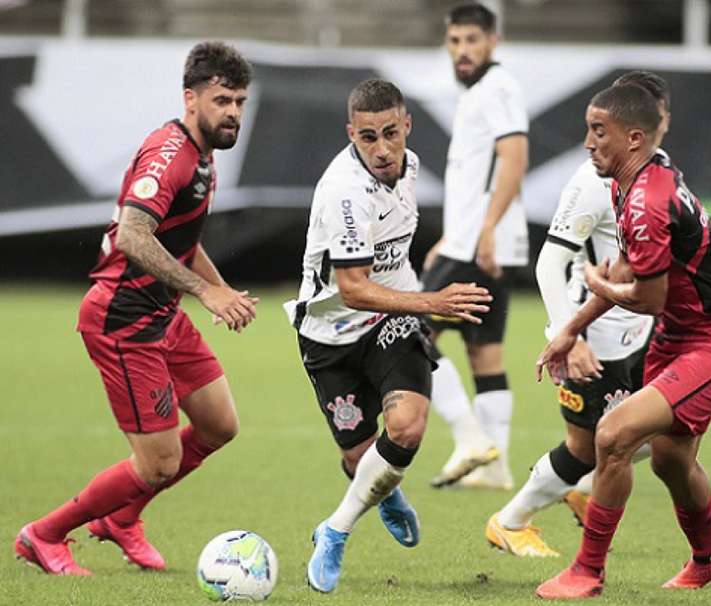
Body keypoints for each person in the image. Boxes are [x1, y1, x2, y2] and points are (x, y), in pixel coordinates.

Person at [14, 41, 258, 576]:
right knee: (159, 462)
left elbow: (181, 237)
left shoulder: (204, 156)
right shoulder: (169, 155)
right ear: (190, 99)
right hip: (123, 320)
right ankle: (44, 535)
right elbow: (132, 235)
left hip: (161, 313)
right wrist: (203, 292)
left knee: (219, 424)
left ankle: (122, 518)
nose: (234, 113)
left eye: (240, 101)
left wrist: (218, 287)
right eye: (222, 100)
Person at [534, 83, 711, 599]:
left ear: (633, 138)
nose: (588, 142)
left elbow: (647, 297)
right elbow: (625, 269)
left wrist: (599, 285)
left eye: (598, 132)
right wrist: (571, 327)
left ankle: (587, 572)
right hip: (680, 338)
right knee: (668, 459)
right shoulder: (635, 177)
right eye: (589, 129)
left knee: (611, 436)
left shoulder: (645, 200)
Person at [284, 78, 491, 593]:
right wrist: (434, 302)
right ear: (350, 133)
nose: (382, 150)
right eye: (368, 137)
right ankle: (384, 491)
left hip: (392, 319)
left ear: (407, 127)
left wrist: (421, 300)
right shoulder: (344, 194)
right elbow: (353, 289)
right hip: (330, 333)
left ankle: (334, 531)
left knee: (406, 428)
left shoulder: (412, 165)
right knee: (361, 460)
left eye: (391, 134)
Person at [485, 72, 670, 558]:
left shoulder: (660, 171)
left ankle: (581, 488)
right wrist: (569, 333)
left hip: (641, 333)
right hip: (595, 338)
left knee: (667, 426)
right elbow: (550, 262)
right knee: (588, 447)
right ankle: (510, 521)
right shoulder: (592, 182)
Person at [424, 2, 529, 490]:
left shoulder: (497, 88)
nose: (462, 51)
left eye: (471, 40)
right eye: (455, 42)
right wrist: (453, 233)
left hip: (478, 245)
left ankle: (470, 439)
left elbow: (514, 158)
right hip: (475, 240)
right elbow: (476, 176)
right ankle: (495, 466)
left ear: (493, 41)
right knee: (485, 352)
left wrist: (484, 229)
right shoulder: (480, 93)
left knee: (408, 335)